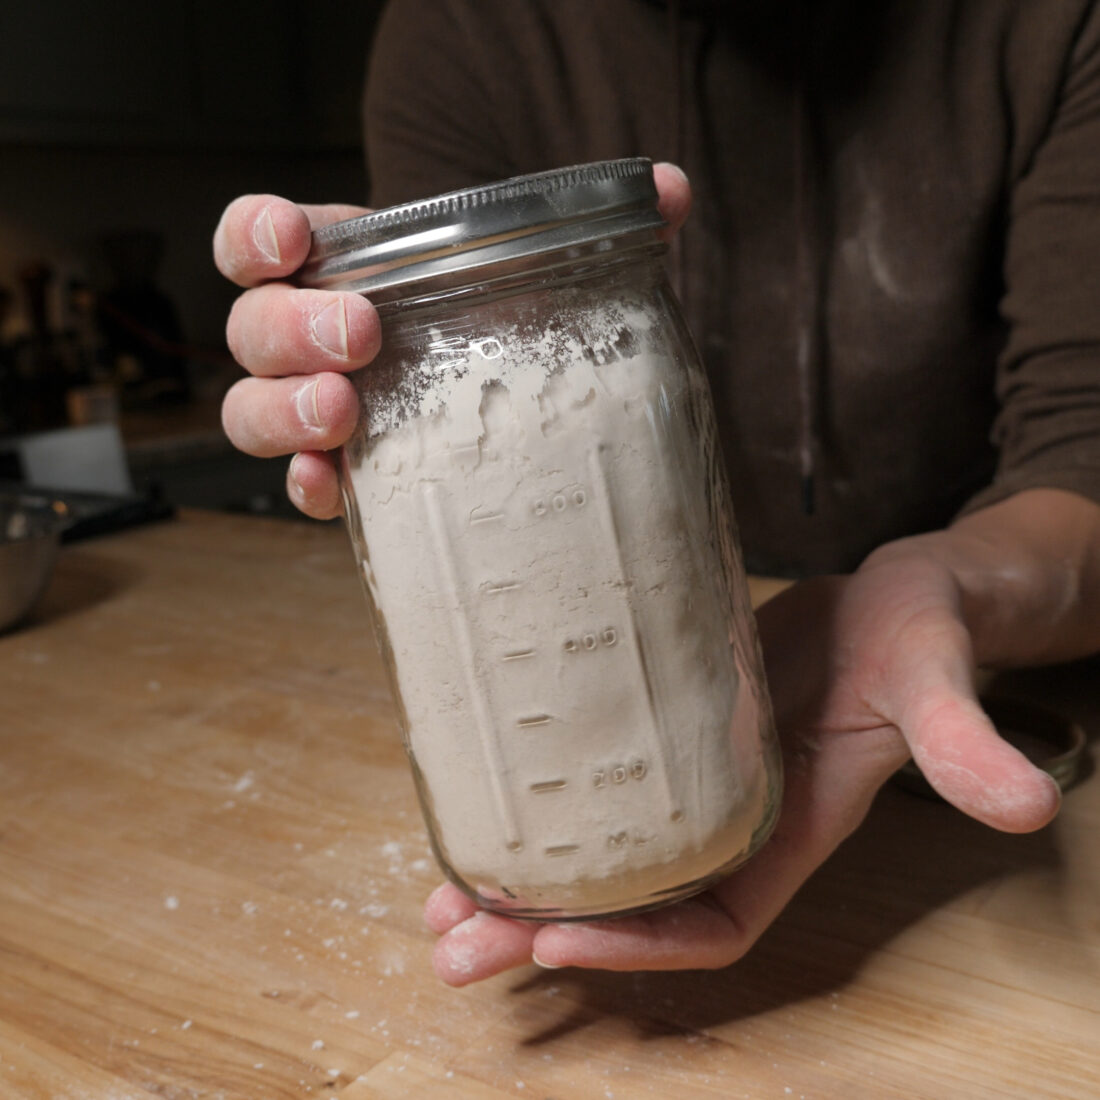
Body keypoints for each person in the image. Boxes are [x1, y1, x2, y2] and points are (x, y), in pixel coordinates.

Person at [214, 0, 1100, 986]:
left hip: (1013, 693)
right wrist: (356, 323)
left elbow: (1082, 449)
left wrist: (950, 587)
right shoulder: (459, 26)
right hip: (633, 765)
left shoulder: (1046, 23)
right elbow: (434, 304)